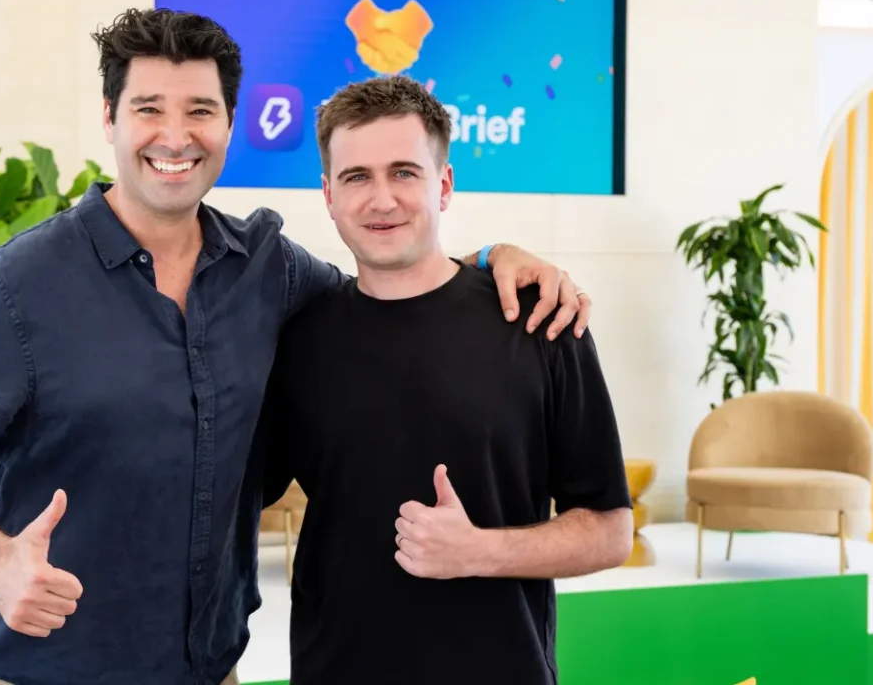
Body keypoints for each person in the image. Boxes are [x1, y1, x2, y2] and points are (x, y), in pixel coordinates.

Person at [0, 7, 594, 685]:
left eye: (199, 110)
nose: (174, 136)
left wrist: (491, 259)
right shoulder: (20, 283)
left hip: (209, 669)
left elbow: (391, 287)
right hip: (39, 669)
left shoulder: (269, 269)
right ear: (109, 118)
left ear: (227, 124)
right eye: (148, 109)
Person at [255, 74, 633, 684]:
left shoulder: (539, 320)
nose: (382, 199)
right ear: (328, 193)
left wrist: (479, 551)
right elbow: (233, 490)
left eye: (404, 172)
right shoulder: (296, 338)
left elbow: (611, 532)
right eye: (357, 177)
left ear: (445, 185)